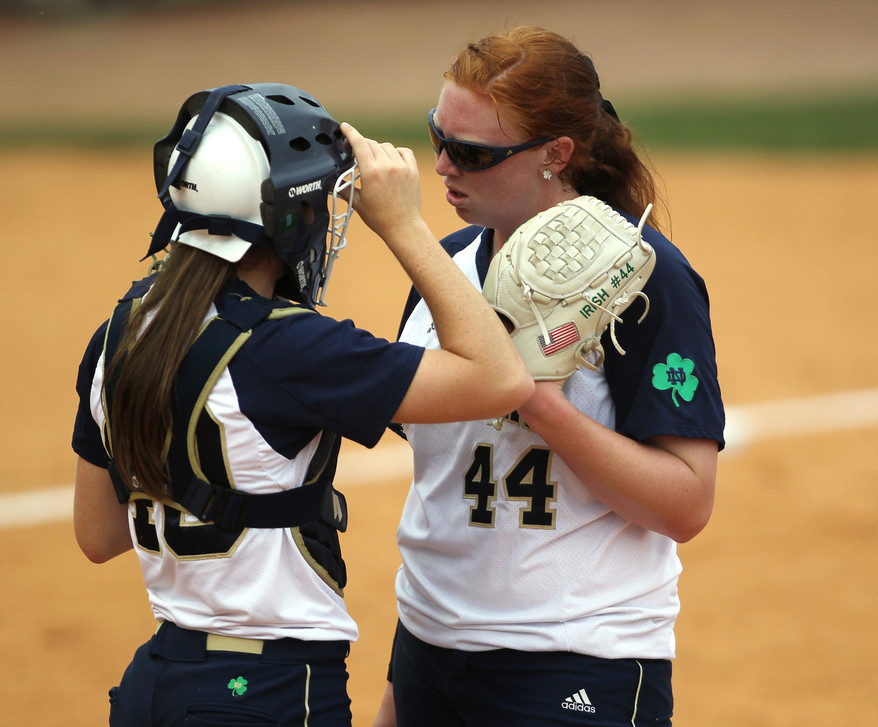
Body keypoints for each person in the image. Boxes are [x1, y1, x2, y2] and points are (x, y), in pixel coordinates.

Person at [70, 82, 533, 727]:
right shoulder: (288, 345)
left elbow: (98, 536)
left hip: (157, 684)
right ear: (288, 216)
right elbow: (498, 379)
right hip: (266, 692)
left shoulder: (120, 332)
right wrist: (404, 224)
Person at [373, 28, 726, 727]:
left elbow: (685, 504)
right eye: (436, 137)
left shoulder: (646, 280)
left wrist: (539, 403)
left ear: (555, 154)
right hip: (429, 647)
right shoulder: (444, 271)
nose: (441, 165)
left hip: (572, 659)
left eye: (471, 152)